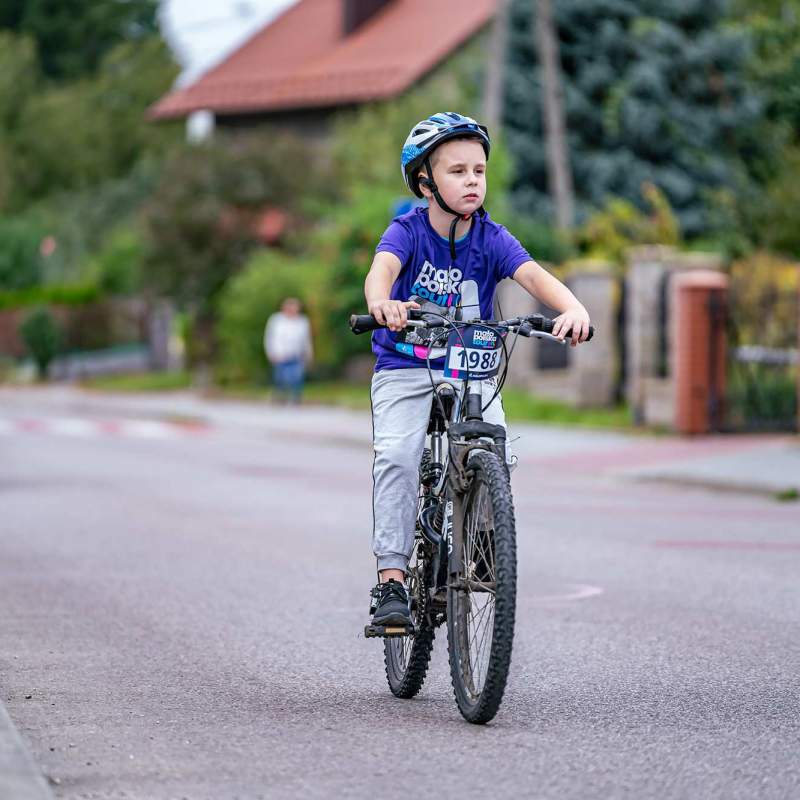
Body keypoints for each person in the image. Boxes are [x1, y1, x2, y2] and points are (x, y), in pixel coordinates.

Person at [366, 112, 591, 627]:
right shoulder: (408, 230)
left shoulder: (491, 237)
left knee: (496, 447)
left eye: (479, 171)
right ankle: (392, 582)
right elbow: (382, 270)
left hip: (469, 365)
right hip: (405, 364)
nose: (473, 181)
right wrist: (383, 303)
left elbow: (532, 275)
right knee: (397, 457)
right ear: (426, 182)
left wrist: (572, 308)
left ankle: (483, 538)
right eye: (458, 171)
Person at [263, 298, 313, 404]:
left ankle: (296, 398)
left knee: (297, 378)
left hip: (296, 354)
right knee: (279, 378)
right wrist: (271, 352)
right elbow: (270, 337)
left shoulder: (302, 321)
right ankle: (279, 396)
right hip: (280, 354)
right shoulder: (276, 320)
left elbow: (306, 339)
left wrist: (308, 353)